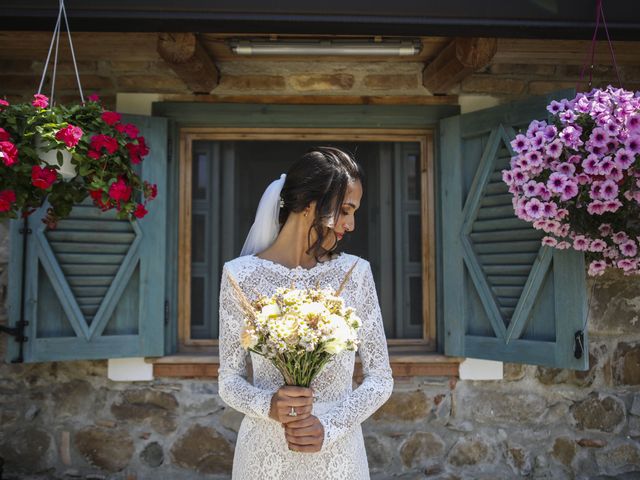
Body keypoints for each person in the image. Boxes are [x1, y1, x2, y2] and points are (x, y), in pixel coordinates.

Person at [218, 146, 393, 480]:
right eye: (345, 209)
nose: (351, 224)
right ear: (311, 203)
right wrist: (267, 405)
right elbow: (229, 381)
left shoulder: (355, 274)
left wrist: (330, 426)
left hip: (336, 455)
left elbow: (381, 379)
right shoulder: (239, 277)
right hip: (264, 457)